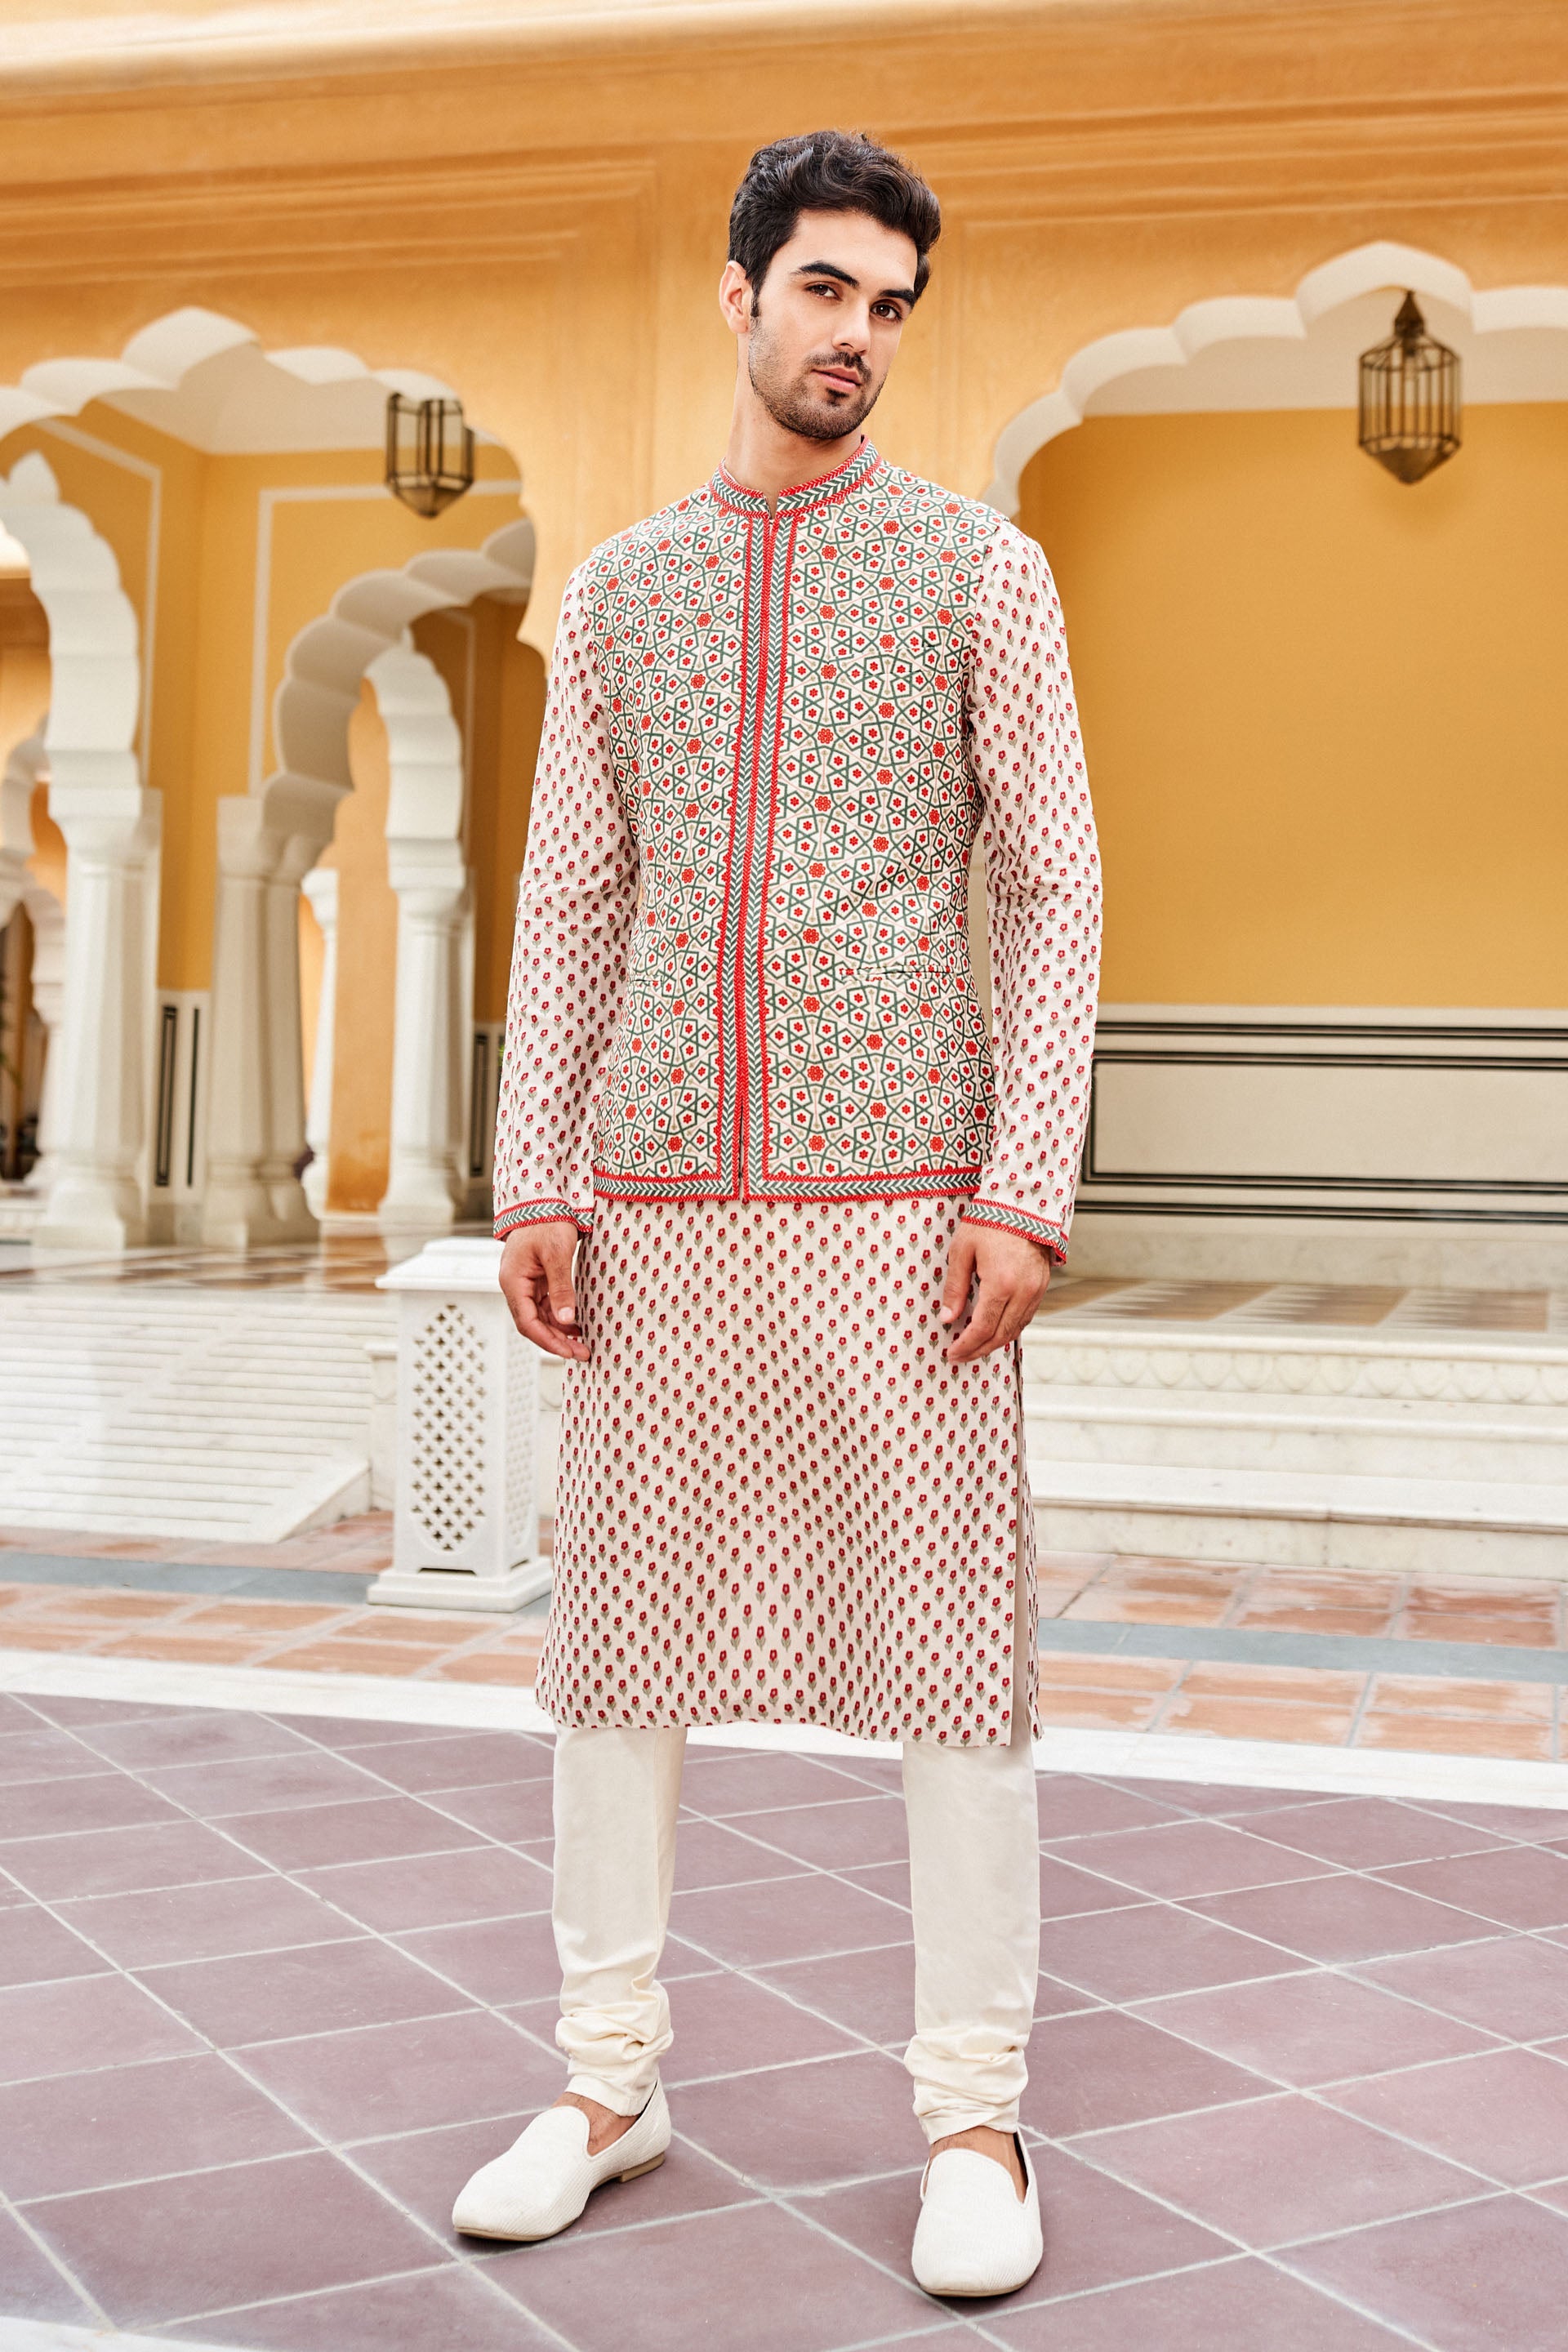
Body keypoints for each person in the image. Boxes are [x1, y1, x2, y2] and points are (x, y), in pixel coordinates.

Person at [453, 127, 1100, 2299]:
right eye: (826, 290)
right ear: (739, 295)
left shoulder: (981, 569)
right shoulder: (622, 593)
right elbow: (573, 897)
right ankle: (606, 2082)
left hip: (911, 1211)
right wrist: (537, 1170)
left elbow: (1056, 885)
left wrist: (1024, 1186)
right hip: (655, 1205)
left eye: (891, 306)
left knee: (954, 1659)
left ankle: (976, 2117)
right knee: (615, 1654)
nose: (859, 337)